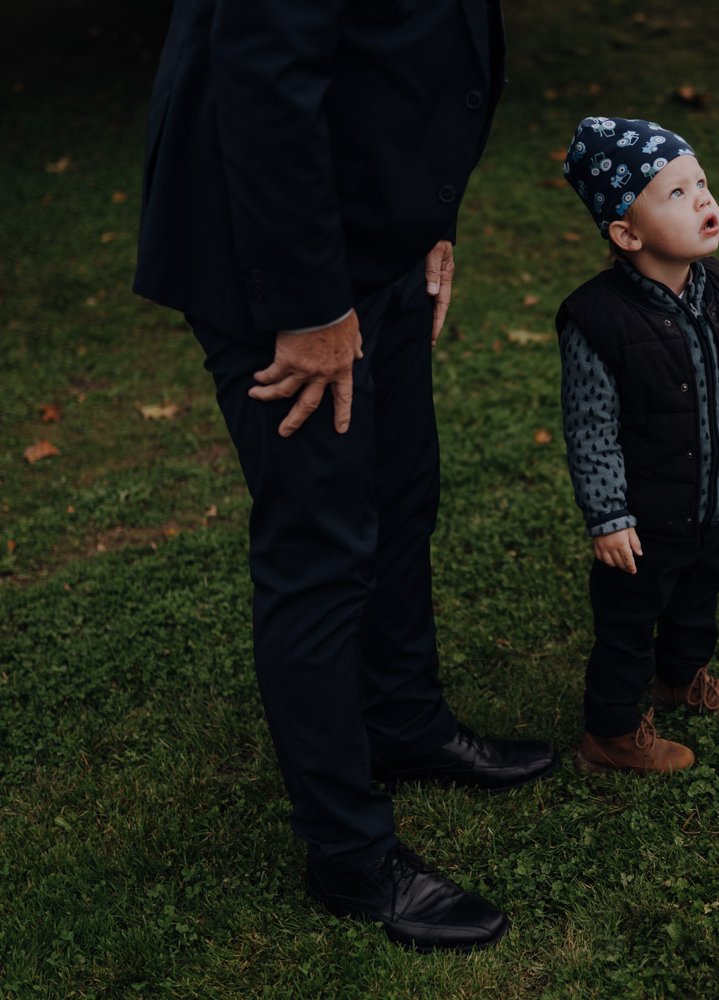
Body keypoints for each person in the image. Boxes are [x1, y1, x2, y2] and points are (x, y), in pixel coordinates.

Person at [132, 0, 558, 954]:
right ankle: (349, 853)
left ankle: (404, 721)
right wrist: (311, 301)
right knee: (322, 540)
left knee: (404, 487)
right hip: (272, 252)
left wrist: (427, 219)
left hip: (378, 221)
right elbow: (263, 85)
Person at [554, 116, 719, 775]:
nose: (704, 198)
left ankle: (681, 679)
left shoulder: (716, 284)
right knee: (628, 625)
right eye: (677, 193)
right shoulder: (597, 320)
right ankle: (613, 733)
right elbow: (590, 428)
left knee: (696, 597)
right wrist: (608, 516)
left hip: (707, 499)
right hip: (644, 517)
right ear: (627, 233)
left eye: (702, 183)